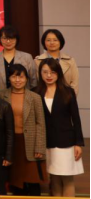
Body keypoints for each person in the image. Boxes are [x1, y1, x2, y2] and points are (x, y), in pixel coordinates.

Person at [37, 59, 84, 197]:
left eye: (53, 72)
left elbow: (76, 119)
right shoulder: (36, 92)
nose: (49, 75)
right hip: (47, 142)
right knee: (54, 178)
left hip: (66, 142)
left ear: (58, 73)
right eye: (45, 72)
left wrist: (78, 143)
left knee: (67, 178)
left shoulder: (68, 92)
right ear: (40, 73)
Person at [2, 64, 47, 196]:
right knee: (15, 181)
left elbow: (40, 123)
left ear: (26, 79)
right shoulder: (1, 95)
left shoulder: (35, 97)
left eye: (21, 77)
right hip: (10, 143)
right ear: (9, 78)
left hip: (30, 144)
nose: (17, 80)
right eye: (14, 76)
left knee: (32, 181)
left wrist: (39, 147)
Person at [0, 25, 37, 90]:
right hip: (0, 95)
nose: (8, 41)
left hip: (23, 94)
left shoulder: (27, 57)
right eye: (4, 38)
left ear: (16, 39)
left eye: (12, 38)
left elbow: (33, 80)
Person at [35, 29, 79, 94]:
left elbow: (75, 83)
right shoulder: (37, 61)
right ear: (44, 42)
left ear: (61, 42)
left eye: (55, 40)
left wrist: (70, 98)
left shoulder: (70, 61)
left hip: (66, 97)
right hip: (44, 96)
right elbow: (36, 83)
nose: (52, 43)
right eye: (48, 40)